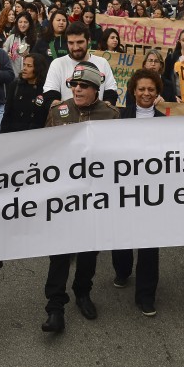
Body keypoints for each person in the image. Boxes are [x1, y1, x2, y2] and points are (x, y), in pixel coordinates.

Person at [41, 61, 119, 333]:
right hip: (63, 195)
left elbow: (117, 157)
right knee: (59, 253)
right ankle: (55, 306)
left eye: (83, 85)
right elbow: (45, 150)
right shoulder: (58, 111)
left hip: (94, 196)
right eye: (73, 85)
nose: (77, 89)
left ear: (96, 89)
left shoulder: (110, 115)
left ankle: (83, 292)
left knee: (88, 250)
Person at [111, 69, 164, 316]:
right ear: (133, 91)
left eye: (150, 89)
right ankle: (122, 271)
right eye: (141, 89)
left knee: (150, 244)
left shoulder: (166, 122)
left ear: (157, 93)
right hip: (123, 188)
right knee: (122, 237)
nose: (145, 93)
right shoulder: (119, 118)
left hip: (153, 192)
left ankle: (146, 295)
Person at [42, 21, 119, 106]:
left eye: (80, 42)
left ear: (88, 40)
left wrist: (101, 110)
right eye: (71, 43)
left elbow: (111, 93)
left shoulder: (102, 63)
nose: (75, 47)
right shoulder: (57, 64)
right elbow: (50, 96)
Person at [1, 53, 49, 133]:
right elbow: (7, 114)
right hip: (16, 133)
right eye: (24, 65)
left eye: (29, 66)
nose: (24, 68)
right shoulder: (15, 86)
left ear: (38, 68)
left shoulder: (46, 88)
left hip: (37, 135)